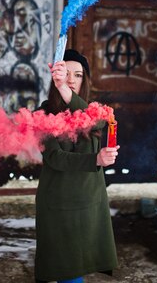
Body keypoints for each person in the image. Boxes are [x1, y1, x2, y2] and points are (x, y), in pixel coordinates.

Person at [35, 49, 119, 283]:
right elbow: (55, 158)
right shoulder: (42, 114)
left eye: (78, 75)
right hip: (59, 204)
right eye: (66, 74)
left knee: (78, 268)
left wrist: (106, 156)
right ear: (56, 78)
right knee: (67, 272)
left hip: (90, 203)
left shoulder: (92, 110)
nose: (71, 80)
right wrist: (96, 160)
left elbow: (97, 121)